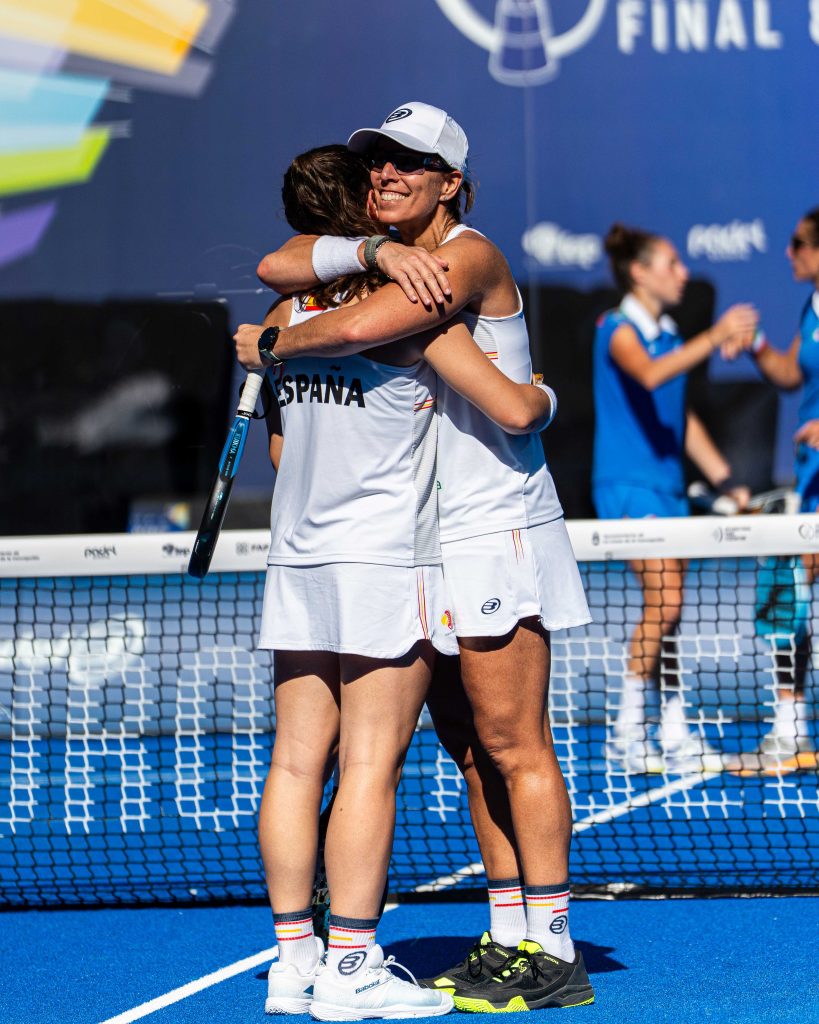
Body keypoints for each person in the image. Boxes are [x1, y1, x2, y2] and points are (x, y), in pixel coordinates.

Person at [236, 101, 595, 1014]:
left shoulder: (464, 260)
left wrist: (272, 342)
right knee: (468, 751)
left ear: (451, 183)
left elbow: (370, 338)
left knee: (512, 744)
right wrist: (367, 254)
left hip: (495, 529)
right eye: (378, 162)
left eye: (410, 163)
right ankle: (506, 933)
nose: (388, 173)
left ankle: (553, 948)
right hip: (425, 543)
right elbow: (279, 262)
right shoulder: (377, 264)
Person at [592, 222, 759, 774]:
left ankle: (673, 730)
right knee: (665, 603)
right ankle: (625, 734)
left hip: (668, 489)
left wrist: (726, 481)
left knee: (672, 610)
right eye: (671, 264)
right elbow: (649, 376)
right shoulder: (617, 328)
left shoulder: (667, 332)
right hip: (627, 487)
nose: (683, 274)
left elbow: (678, 419)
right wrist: (714, 336)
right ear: (639, 273)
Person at [727, 207, 819, 774]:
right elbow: (791, 373)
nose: (788, 253)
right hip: (811, 481)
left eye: (798, 244)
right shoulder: (813, 306)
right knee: (791, 596)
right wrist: (757, 342)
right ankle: (790, 728)